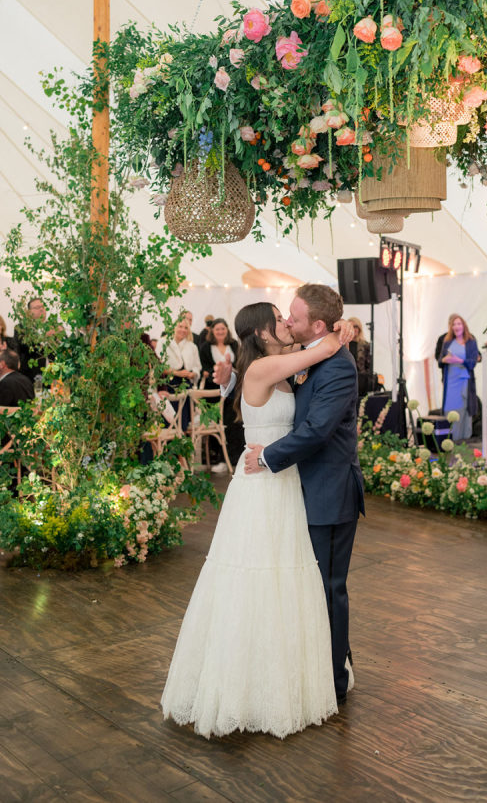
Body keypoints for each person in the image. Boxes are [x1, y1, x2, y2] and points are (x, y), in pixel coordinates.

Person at [161, 302, 344, 739]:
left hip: (280, 481)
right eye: (278, 318)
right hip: (261, 485)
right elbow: (321, 350)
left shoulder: (271, 368)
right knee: (256, 578)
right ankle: (245, 687)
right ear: (262, 333)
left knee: (285, 579)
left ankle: (281, 676)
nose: (285, 323)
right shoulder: (264, 369)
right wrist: (341, 331)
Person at [239, 285, 365, 705]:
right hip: (297, 490)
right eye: (283, 317)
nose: (288, 322)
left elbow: (315, 431)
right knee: (302, 587)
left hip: (329, 491)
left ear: (316, 324)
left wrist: (268, 456)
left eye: (293, 317)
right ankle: (307, 668)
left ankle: (332, 682)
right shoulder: (305, 355)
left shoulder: (338, 366)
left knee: (329, 589)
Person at [200, 318, 242, 472]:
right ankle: (219, 459)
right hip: (214, 392)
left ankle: (235, 458)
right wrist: (218, 374)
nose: (220, 332)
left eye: (222, 329)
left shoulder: (234, 345)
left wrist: (231, 373)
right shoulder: (205, 347)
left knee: (233, 424)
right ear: (212, 331)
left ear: (227, 330)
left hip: (233, 391)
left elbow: (240, 364)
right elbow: (205, 369)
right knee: (216, 425)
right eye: (217, 329)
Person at [438, 314, 480, 441]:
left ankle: (462, 440)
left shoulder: (471, 342)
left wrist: (459, 360)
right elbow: (440, 361)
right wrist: (445, 359)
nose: (456, 326)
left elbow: (472, 363)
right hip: (450, 382)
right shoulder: (447, 342)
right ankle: (449, 440)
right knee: (449, 410)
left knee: (463, 411)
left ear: (464, 325)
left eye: (459, 324)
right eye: (454, 324)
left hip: (464, 381)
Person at [158, 318, 201, 431]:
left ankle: (182, 444)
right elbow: (158, 365)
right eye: (180, 326)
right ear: (174, 327)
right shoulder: (163, 342)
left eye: (186, 327)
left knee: (183, 421)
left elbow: (197, 366)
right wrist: (177, 372)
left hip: (185, 385)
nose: (183, 330)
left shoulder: (192, 346)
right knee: (168, 420)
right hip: (168, 384)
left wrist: (193, 374)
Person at [13, 298, 50, 382]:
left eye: (42, 307)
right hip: (32, 376)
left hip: (53, 374)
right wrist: (43, 336)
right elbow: (25, 346)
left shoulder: (53, 327)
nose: (41, 309)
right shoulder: (21, 328)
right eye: (37, 307)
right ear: (29, 312)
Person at [347, 317, 372, 395]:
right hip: (346, 379)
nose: (354, 329)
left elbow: (369, 365)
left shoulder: (365, 345)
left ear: (359, 328)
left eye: (356, 326)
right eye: (352, 326)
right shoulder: (342, 344)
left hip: (361, 381)